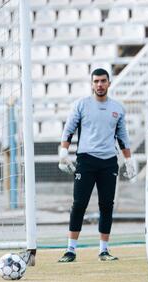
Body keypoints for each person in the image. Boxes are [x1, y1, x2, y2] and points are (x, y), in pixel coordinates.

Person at [57, 68, 137, 263]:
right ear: (92, 84)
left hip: (109, 162)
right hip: (86, 160)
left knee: (106, 206)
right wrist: (63, 153)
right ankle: (71, 250)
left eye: (103, 81)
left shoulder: (117, 108)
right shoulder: (81, 105)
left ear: (109, 83)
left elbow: (122, 137)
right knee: (79, 205)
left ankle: (104, 250)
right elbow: (69, 130)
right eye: (96, 81)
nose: (100, 85)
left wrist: (128, 159)